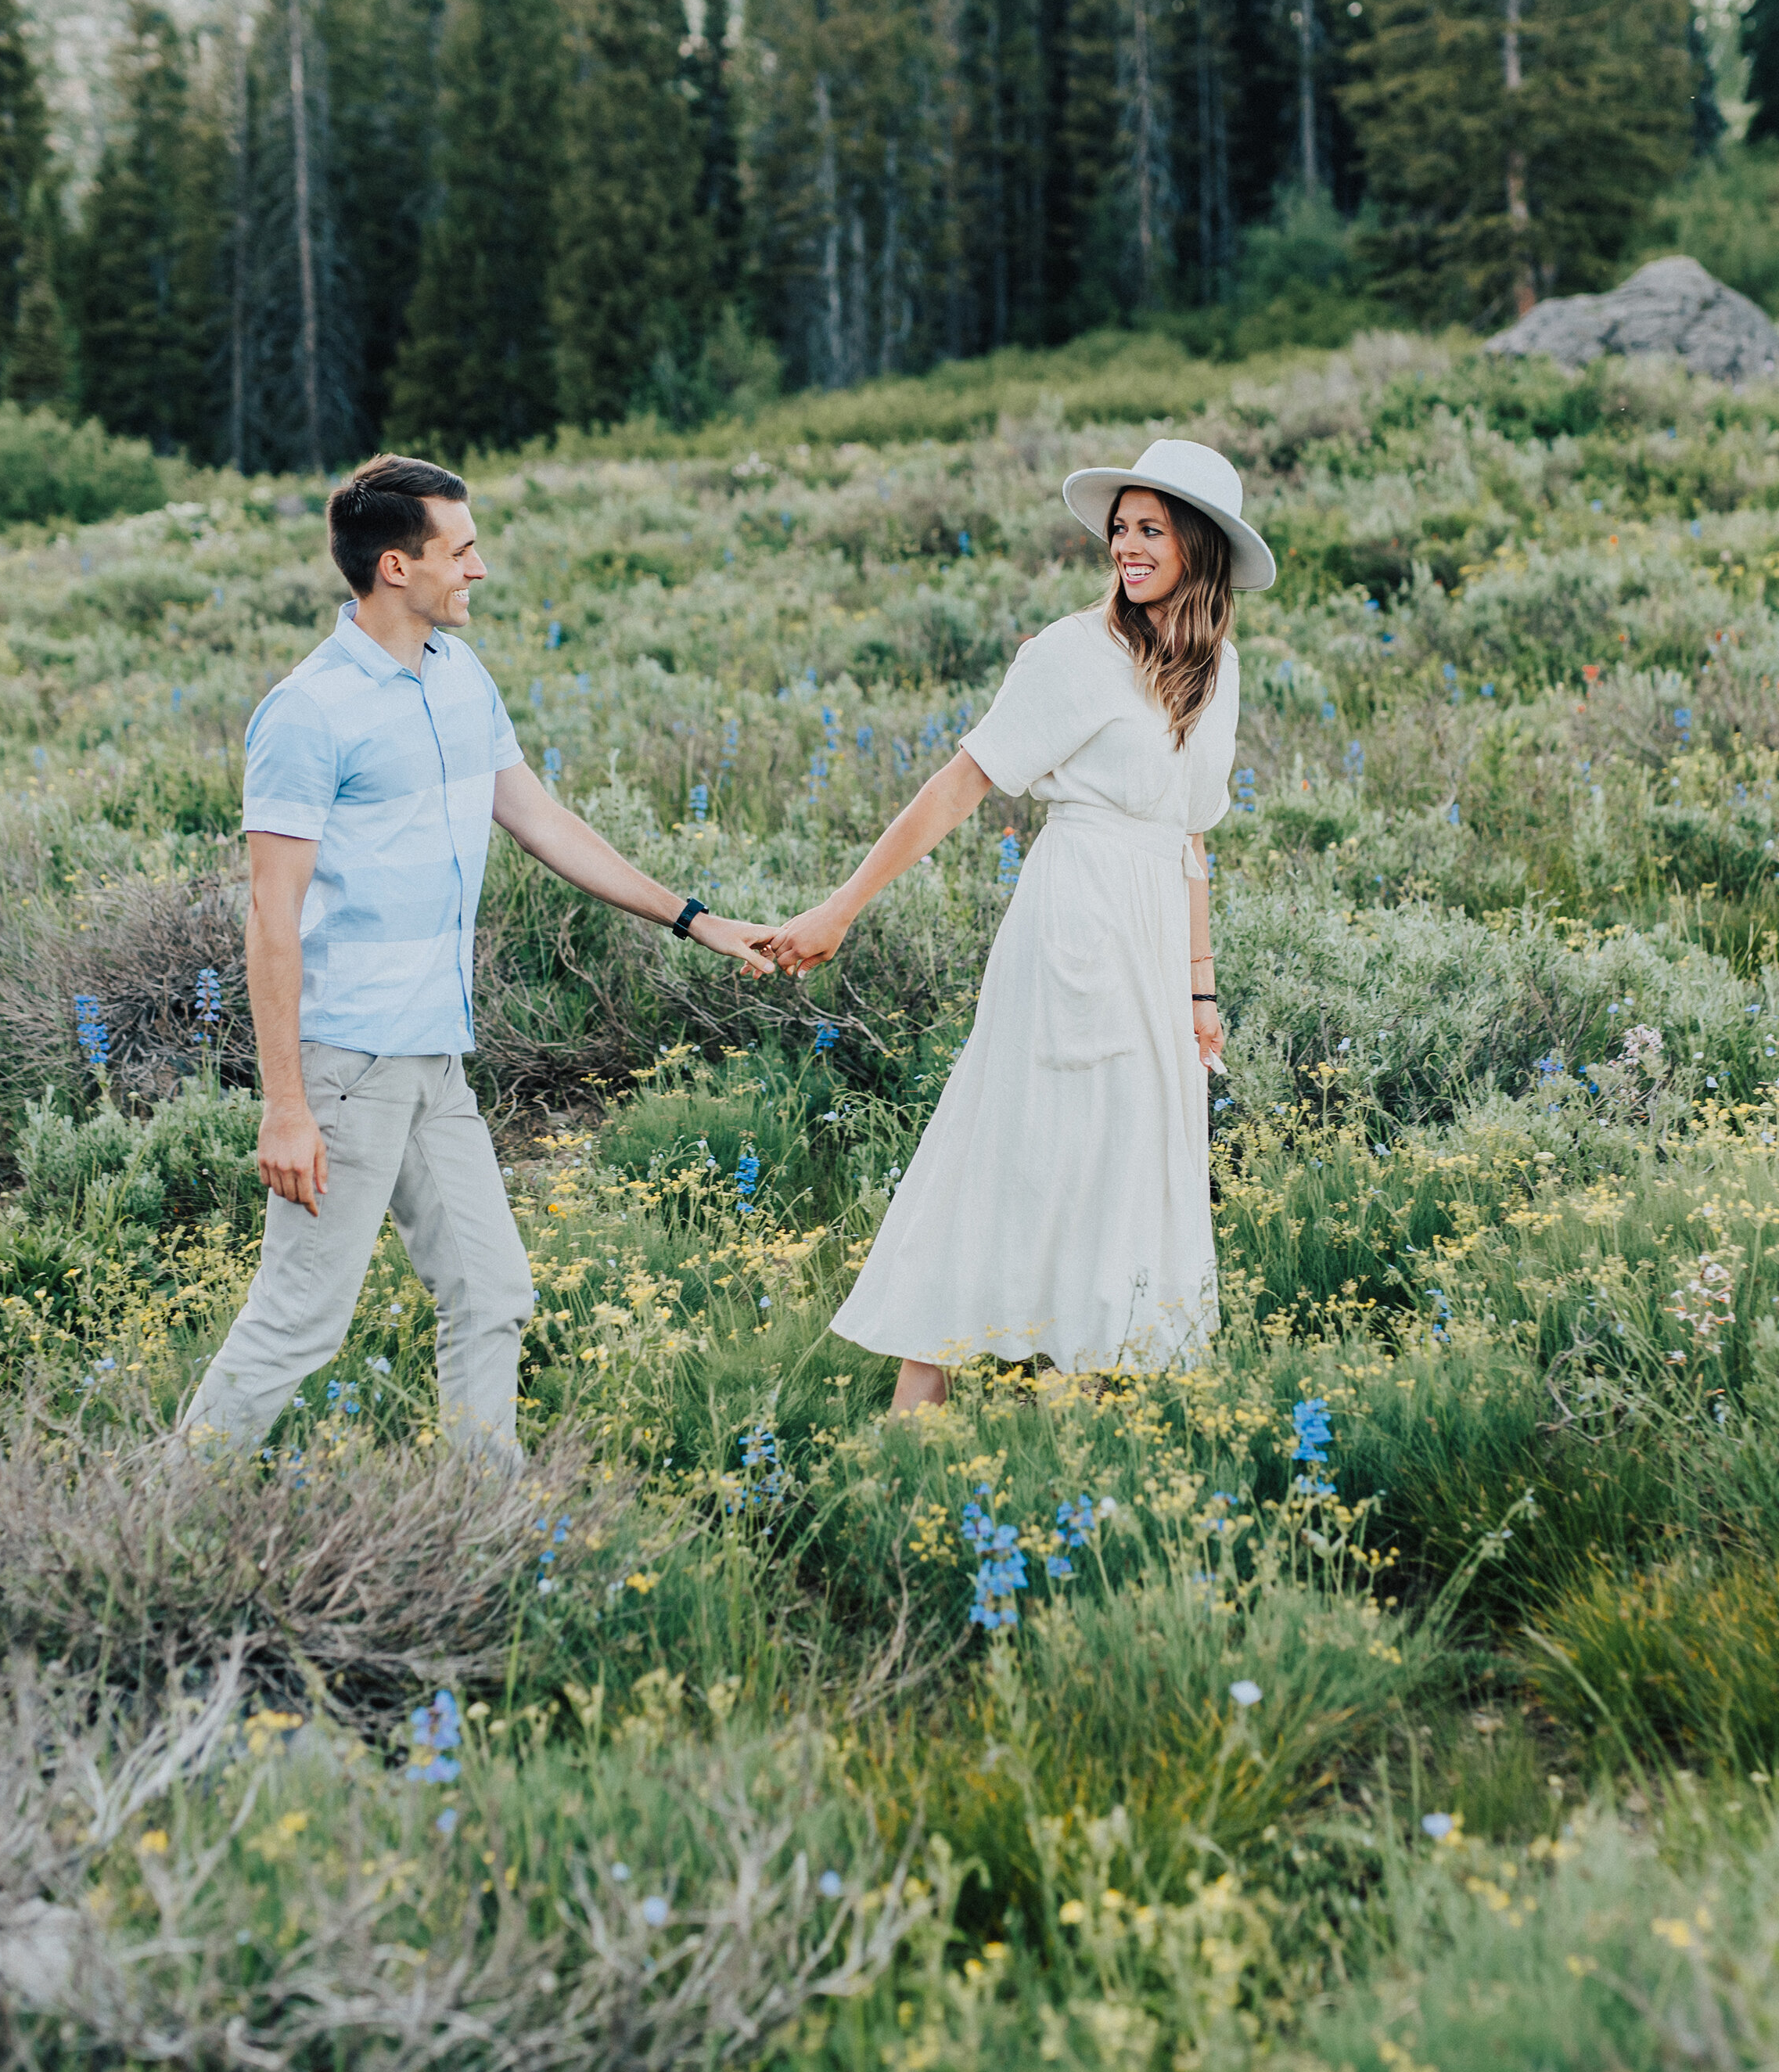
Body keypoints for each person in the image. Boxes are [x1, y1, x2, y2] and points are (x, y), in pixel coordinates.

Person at [181, 454, 774, 1469]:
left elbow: (541, 818)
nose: (482, 568)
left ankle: (481, 1517)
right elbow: (270, 917)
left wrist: (696, 918)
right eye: (462, 550)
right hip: (347, 1068)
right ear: (398, 566)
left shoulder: (459, 674)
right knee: (298, 1322)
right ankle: (161, 1520)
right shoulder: (307, 710)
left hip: (433, 1061)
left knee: (491, 1293)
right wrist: (286, 1104)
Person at [767, 438, 1273, 1408]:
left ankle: (1086, 1392)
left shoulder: (1222, 669)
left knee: (1130, 1152)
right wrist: (842, 905)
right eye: (1120, 530)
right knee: (1017, 1137)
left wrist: (1200, 988)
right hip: (1074, 918)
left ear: (1199, 547)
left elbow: (1192, 837)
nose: (1126, 548)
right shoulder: (1077, 652)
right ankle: (923, 1398)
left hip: (1155, 930)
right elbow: (961, 783)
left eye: (1149, 530)